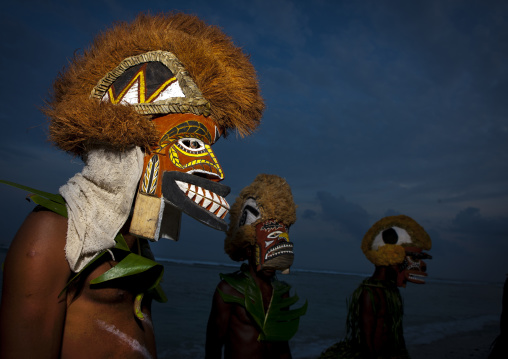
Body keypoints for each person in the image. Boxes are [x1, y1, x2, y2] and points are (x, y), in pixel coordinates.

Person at [0, 12, 264, 358]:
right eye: (192, 144)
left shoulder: (136, 243)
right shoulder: (51, 238)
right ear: (129, 146)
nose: (215, 172)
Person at [205, 174, 307, 359]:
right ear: (249, 250)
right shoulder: (229, 290)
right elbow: (214, 344)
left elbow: (282, 344)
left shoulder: (281, 292)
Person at [319, 215, 432, 359]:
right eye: (402, 262)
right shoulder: (369, 293)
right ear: (389, 260)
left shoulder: (390, 292)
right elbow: (367, 338)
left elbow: (394, 331)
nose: (408, 267)